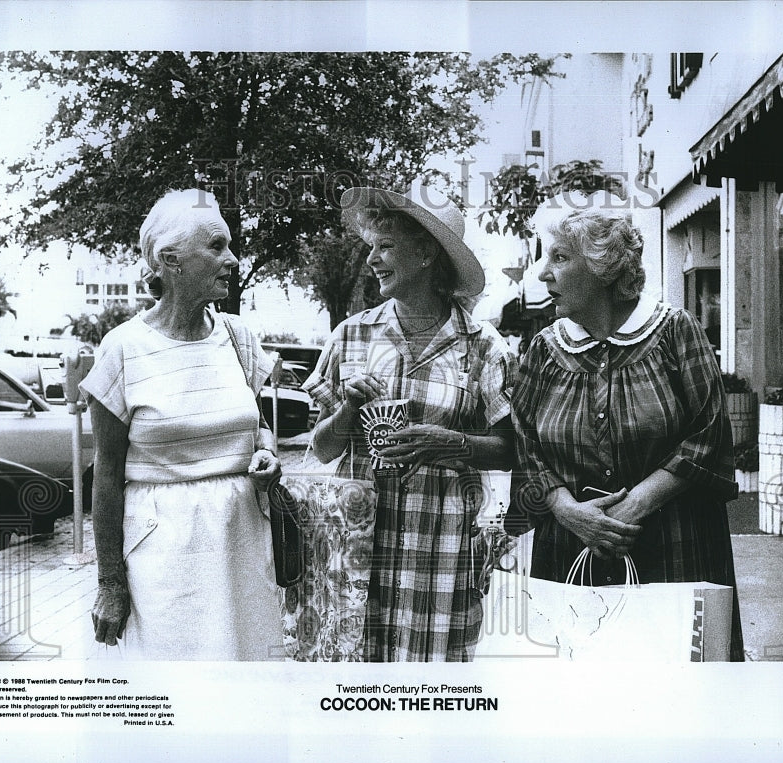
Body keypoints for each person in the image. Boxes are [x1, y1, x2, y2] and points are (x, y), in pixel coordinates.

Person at [510, 191, 744, 661]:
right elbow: (525, 441)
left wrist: (633, 506)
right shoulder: (543, 350)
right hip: (570, 549)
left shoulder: (676, 332)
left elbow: (710, 432)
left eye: (559, 257)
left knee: (676, 688)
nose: (543, 272)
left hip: (675, 545)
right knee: (580, 698)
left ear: (603, 268)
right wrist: (568, 510)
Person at [303, 183, 517, 662]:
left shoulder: (482, 346)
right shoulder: (351, 335)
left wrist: (450, 443)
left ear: (425, 253)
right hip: (359, 543)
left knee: (434, 682)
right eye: (371, 247)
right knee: (357, 674)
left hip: (441, 544)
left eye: (385, 247)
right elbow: (320, 448)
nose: (372, 260)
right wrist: (346, 412)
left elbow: (510, 449)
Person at [81, 188, 284, 660]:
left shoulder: (239, 337)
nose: (232, 259)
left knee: (245, 679)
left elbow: (260, 425)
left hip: (243, 543)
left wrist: (268, 453)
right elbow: (106, 475)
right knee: (175, 686)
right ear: (171, 260)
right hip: (163, 553)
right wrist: (110, 583)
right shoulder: (123, 349)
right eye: (217, 246)